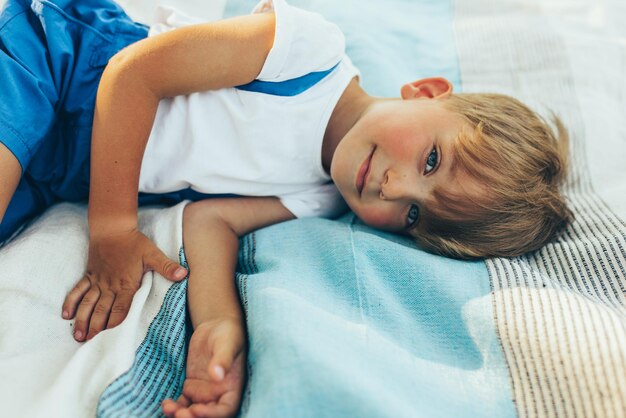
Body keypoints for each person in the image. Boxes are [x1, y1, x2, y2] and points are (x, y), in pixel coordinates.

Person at [0, 0, 572, 416]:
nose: (394, 190)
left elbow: (211, 221)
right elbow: (133, 75)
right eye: (430, 161)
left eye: (414, 217)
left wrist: (221, 328)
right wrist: (113, 228)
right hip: (57, 63)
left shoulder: (320, 199)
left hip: (59, 169)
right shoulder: (307, 56)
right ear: (425, 92)